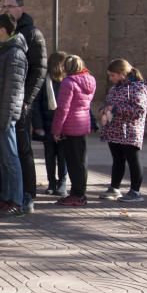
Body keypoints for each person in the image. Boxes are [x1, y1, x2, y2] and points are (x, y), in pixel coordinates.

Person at [0, 0, 47, 214]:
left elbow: (39, 69)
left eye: (10, 6)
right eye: (4, 6)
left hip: (22, 99)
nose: (7, 10)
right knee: (7, 150)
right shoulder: (3, 32)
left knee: (23, 148)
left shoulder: (32, 33)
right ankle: (8, 193)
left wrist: (28, 99)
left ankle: (28, 194)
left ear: (21, 8)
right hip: (6, 98)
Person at [0, 13, 28, 218]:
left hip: (5, 113)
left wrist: (5, 116)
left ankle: (16, 200)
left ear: (3, 29)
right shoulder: (2, 49)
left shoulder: (15, 53)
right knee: (3, 158)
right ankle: (6, 197)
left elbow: (13, 89)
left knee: (11, 158)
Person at [98, 58, 147, 203]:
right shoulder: (115, 88)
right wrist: (103, 110)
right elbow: (108, 103)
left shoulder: (138, 87)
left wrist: (115, 109)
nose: (110, 78)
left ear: (122, 73)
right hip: (114, 130)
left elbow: (139, 110)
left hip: (130, 131)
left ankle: (135, 191)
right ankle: (114, 187)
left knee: (133, 160)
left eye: (112, 75)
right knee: (117, 159)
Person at [52, 55, 96, 207]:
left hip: (70, 126)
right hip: (83, 123)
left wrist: (56, 129)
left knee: (73, 162)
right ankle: (79, 192)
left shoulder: (68, 82)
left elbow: (63, 109)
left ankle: (77, 194)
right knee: (81, 161)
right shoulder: (91, 80)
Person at [32, 52, 68, 197]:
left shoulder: (66, 81)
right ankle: (52, 182)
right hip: (47, 124)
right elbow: (37, 104)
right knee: (50, 155)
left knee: (62, 155)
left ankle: (62, 182)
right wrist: (38, 125)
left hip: (62, 124)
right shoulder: (45, 81)